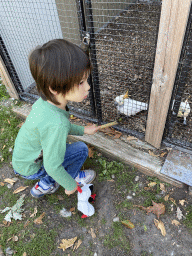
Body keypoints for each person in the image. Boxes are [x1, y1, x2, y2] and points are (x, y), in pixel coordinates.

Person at [12, 39, 99, 198]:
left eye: (86, 80)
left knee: (61, 148)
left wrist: (84, 130)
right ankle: (54, 181)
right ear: (54, 88)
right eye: (81, 82)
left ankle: (45, 183)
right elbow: (52, 165)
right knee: (81, 150)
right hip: (35, 167)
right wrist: (70, 185)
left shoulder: (44, 103)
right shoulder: (57, 124)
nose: (88, 86)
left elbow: (63, 126)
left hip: (23, 161)